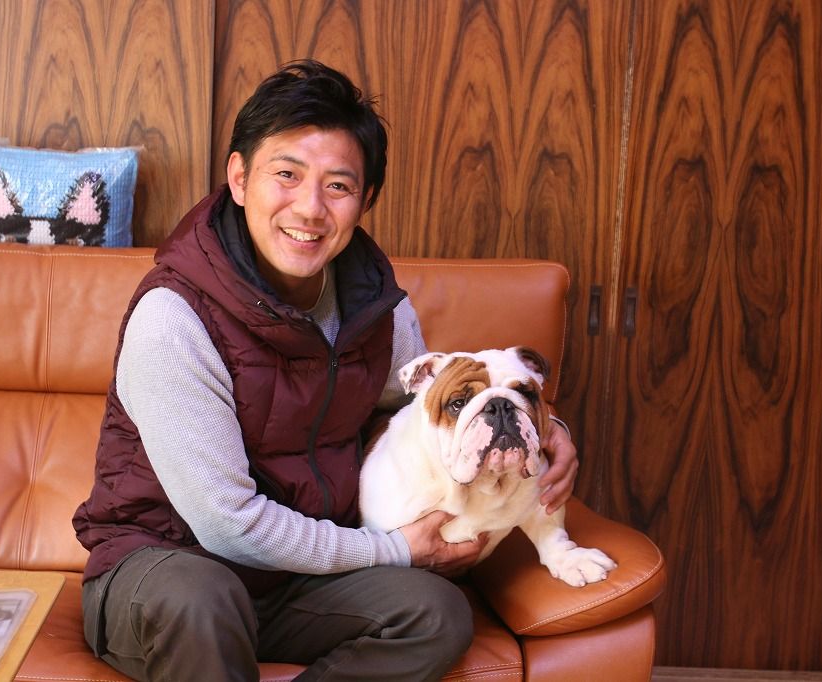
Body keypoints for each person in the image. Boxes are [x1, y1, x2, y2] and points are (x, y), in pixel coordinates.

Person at [73, 60, 578, 682]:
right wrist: (394, 549)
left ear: (365, 201)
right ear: (239, 178)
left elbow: (427, 418)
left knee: (436, 613)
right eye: (286, 175)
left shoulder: (378, 309)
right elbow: (227, 524)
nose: (310, 208)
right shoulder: (173, 317)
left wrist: (541, 432)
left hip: (296, 580)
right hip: (164, 570)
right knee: (201, 598)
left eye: (338, 186)